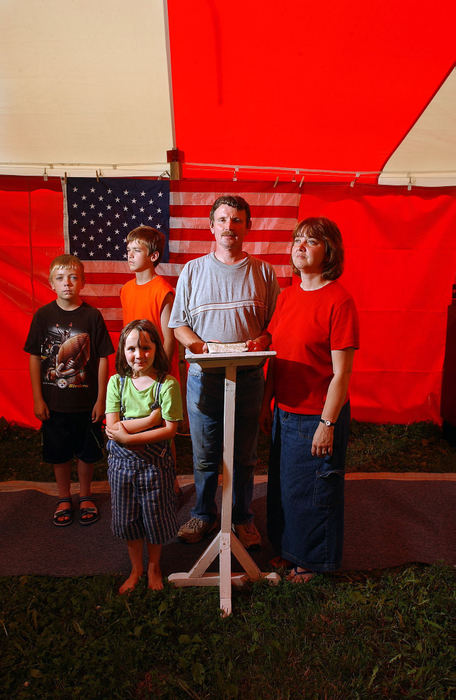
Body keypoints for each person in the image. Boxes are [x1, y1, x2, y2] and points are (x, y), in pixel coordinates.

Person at [169, 195, 280, 549]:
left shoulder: (263, 272)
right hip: (204, 379)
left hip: (248, 379)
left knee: (244, 455)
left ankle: (243, 518)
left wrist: (263, 336)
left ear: (247, 226)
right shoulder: (193, 271)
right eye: (222, 220)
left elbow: (275, 326)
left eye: (236, 220)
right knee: (204, 455)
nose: (228, 227)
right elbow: (179, 326)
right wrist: (199, 346)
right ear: (211, 226)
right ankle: (203, 513)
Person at [260, 217, 359, 582]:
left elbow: (341, 374)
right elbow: (277, 355)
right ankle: (289, 550)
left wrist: (327, 424)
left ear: (329, 251)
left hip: (316, 415)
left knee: (315, 491)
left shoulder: (339, 301)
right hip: (284, 412)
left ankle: (314, 562)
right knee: (285, 489)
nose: (300, 246)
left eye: (311, 241)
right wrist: (266, 404)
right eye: (297, 239)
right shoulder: (286, 296)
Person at [24, 254, 114, 527]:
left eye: (73, 277)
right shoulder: (43, 316)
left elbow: (102, 358)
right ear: (51, 283)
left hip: (86, 403)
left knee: (87, 453)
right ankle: (64, 497)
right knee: (59, 453)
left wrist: (101, 399)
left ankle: (85, 495)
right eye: (61, 278)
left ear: (83, 282)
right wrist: (38, 398)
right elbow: (34, 357)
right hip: (54, 403)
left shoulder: (92, 316)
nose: (67, 283)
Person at [105, 319, 183, 593]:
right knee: (128, 519)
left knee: (155, 517)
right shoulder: (117, 382)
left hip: (155, 467)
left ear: (156, 349)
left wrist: (128, 435)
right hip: (122, 466)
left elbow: (170, 430)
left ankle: (154, 566)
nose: (139, 355)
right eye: (132, 348)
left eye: (145, 348)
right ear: (122, 351)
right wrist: (151, 419)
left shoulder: (168, 384)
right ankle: (136, 567)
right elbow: (112, 428)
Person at [120, 225, 181, 501]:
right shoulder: (126, 289)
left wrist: (160, 374)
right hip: (134, 370)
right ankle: (139, 476)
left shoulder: (163, 290)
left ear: (153, 256)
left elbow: (169, 338)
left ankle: (170, 480)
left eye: (136, 250)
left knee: (162, 426)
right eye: (128, 249)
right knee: (136, 419)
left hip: (157, 372)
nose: (129, 254)